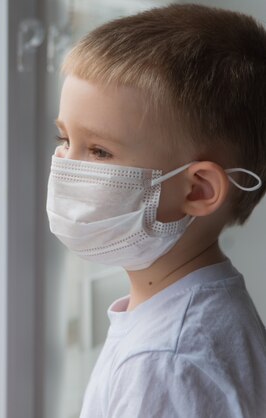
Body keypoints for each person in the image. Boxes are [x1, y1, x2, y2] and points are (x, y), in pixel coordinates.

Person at [45, 4, 266, 417]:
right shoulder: (194, 314)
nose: (67, 166)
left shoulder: (166, 360)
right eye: (64, 139)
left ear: (198, 190)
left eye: (99, 150)